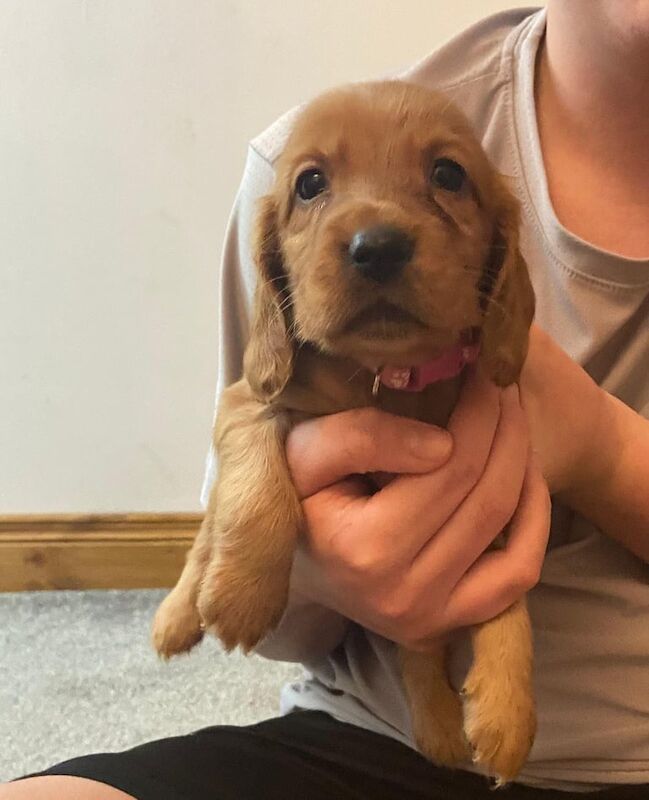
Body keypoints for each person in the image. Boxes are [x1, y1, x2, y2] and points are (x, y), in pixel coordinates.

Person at [5, 3, 648, 798]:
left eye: (445, 179)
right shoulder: (286, 159)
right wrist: (316, 570)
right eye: (313, 188)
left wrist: (603, 451)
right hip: (368, 735)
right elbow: (262, 599)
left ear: (496, 247)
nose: (373, 236)